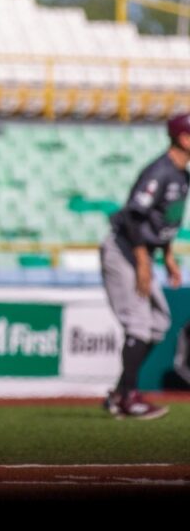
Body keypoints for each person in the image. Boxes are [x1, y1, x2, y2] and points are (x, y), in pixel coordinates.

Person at [100, 112, 190, 420]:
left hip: (145, 252)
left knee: (158, 323)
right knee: (138, 323)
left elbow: (165, 220)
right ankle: (128, 398)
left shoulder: (182, 175)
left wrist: (166, 256)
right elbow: (133, 215)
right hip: (125, 248)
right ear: (183, 138)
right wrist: (142, 261)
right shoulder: (160, 171)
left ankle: (119, 391)